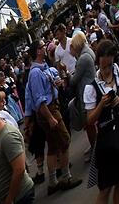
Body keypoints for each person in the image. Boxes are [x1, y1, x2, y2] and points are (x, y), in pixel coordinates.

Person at [23, 40, 81, 194]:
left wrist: (59, 83)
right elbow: (38, 99)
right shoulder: (35, 73)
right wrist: (49, 117)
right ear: (38, 51)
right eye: (42, 46)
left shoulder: (44, 68)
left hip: (51, 107)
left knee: (53, 147)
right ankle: (66, 177)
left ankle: (53, 181)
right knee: (65, 139)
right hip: (48, 110)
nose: (45, 48)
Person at [83, 39, 119, 204]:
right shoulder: (91, 87)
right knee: (106, 187)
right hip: (107, 139)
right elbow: (89, 120)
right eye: (103, 66)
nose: (107, 69)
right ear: (98, 63)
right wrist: (102, 104)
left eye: (109, 64)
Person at [70, 31, 99, 158]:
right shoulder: (88, 52)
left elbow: (74, 81)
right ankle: (96, 145)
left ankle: (95, 148)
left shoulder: (83, 58)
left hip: (86, 93)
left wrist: (66, 74)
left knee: (89, 123)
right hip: (91, 88)